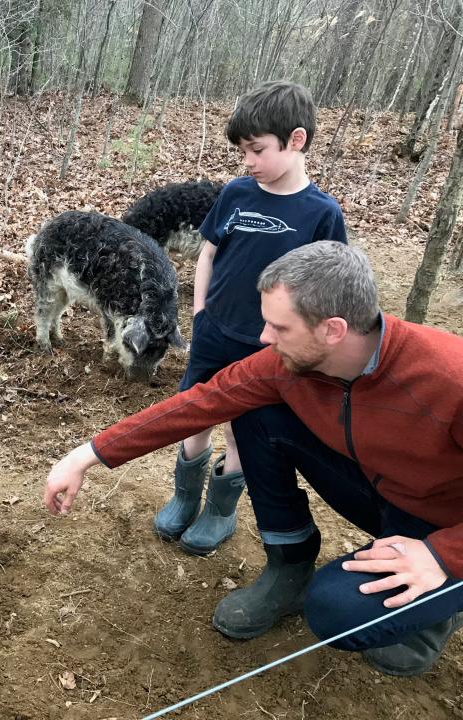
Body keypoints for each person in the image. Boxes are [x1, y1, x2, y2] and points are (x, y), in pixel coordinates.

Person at [43, 242, 463, 676]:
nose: (264, 338)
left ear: (333, 330)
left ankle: (437, 609)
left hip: (443, 524)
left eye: (280, 327)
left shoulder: (450, 377)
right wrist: (87, 455)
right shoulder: (288, 364)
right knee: (255, 411)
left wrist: (442, 555)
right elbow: (202, 401)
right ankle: (289, 565)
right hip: (377, 489)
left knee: (336, 613)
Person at [159, 81, 347, 556]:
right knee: (193, 414)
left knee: (241, 425)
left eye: (257, 149)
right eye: (243, 150)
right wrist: (200, 313)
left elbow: (326, 290)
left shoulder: (322, 214)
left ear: (297, 140)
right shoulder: (237, 193)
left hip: (267, 347)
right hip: (213, 330)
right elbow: (208, 254)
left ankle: (219, 511)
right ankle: (184, 498)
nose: (248, 161)